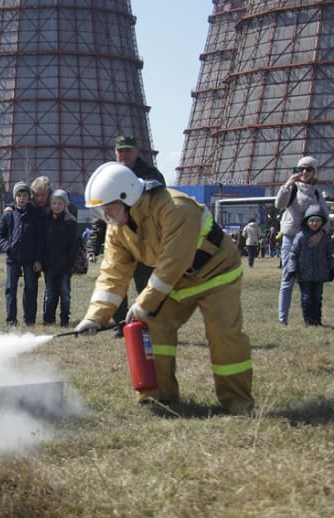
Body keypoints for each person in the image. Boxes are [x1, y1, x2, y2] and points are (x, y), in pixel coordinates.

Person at [74, 162, 254, 415]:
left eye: (109, 209)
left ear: (127, 198)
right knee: (152, 329)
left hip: (216, 274)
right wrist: (95, 317)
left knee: (223, 336)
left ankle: (238, 403)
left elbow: (172, 262)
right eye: (101, 212)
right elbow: (113, 273)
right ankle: (159, 396)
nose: (107, 217)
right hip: (175, 282)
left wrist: (144, 303)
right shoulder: (117, 229)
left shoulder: (176, 208)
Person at [87, 135, 166, 337]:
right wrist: (92, 246)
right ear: (115, 153)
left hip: (145, 243)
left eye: (128, 150)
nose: (123, 154)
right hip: (120, 241)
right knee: (115, 283)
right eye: (120, 151)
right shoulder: (108, 177)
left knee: (146, 286)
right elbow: (101, 216)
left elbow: (158, 209)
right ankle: (121, 324)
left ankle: (149, 326)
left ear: (136, 152)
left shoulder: (151, 175)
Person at [274, 155, 328, 325]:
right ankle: (283, 319)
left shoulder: (317, 192)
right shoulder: (292, 189)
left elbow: (325, 216)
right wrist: (287, 184)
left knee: (311, 280)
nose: (304, 172)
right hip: (291, 237)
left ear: (314, 172)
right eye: (300, 169)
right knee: (288, 278)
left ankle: (312, 318)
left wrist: (321, 233)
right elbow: (278, 204)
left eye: (308, 169)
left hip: (311, 240)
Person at [0, 181, 45, 326]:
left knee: (31, 288)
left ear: (29, 197)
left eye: (25, 195)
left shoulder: (35, 215)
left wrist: (38, 259)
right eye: (19, 195)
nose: (22, 198)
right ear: (15, 197)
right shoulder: (8, 214)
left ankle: (30, 319)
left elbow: (40, 239)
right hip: (13, 257)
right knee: (11, 289)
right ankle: (11, 320)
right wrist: (8, 247)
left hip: (30, 258)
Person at [285, 205, 334, 327]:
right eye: (312, 220)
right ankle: (308, 320)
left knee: (317, 298)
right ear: (307, 221)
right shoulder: (300, 236)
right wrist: (292, 269)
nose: (314, 223)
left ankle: (317, 320)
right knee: (306, 298)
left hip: (320, 273)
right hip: (304, 274)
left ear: (322, 222)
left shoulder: (326, 238)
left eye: (317, 220)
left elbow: (329, 255)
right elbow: (293, 254)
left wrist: (331, 268)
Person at [42, 189, 80, 326]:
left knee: (65, 293)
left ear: (65, 205)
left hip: (65, 266)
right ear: (50, 204)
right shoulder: (45, 221)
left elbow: (74, 245)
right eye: (54, 203)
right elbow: (42, 243)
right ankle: (48, 319)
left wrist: (69, 262)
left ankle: (64, 319)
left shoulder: (70, 223)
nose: (56, 206)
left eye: (60, 203)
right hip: (49, 266)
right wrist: (43, 261)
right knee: (50, 293)